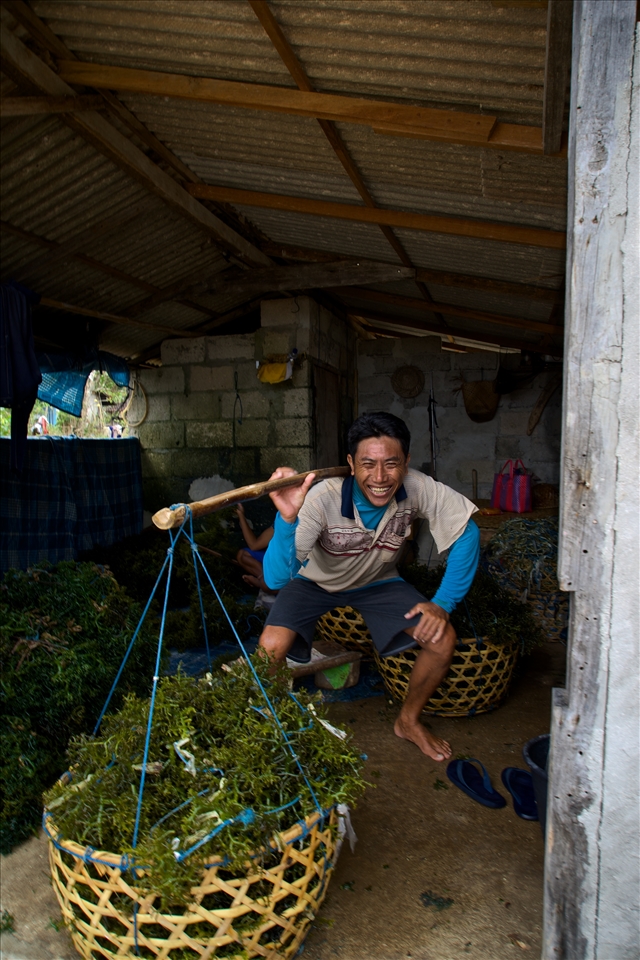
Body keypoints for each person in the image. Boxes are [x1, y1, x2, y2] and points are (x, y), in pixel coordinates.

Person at [258, 411, 480, 763]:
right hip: (314, 581)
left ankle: (407, 722)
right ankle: (271, 727)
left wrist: (443, 602)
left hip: (377, 582)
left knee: (442, 639)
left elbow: (467, 532)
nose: (380, 477)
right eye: (368, 464)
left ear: (406, 461)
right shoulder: (321, 499)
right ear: (350, 463)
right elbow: (275, 580)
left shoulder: (418, 487)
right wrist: (286, 520)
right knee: (271, 646)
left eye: (391, 464)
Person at [235, 503, 274, 592]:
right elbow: (254, 545)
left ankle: (267, 586)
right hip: (276, 560)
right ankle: (265, 581)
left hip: (294, 565)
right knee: (243, 555)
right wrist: (241, 515)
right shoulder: (281, 521)